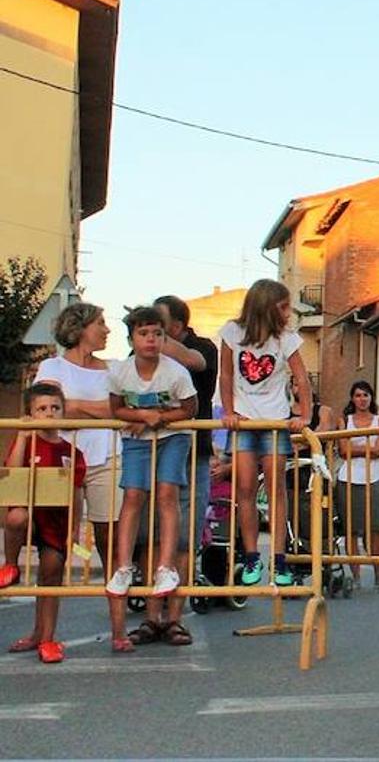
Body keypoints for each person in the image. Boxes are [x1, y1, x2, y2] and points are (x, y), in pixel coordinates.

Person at [105, 306, 198, 651]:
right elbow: (116, 408)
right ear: (132, 338)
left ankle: (164, 567)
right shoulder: (121, 372)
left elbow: (190, 408)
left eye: (158, 334)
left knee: (167, 495)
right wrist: (142, 415)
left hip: (172, 437)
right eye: (144, 334)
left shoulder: (175, 372)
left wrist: (162, 417)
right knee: (133, 496)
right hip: (136, 441)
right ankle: (125, 566)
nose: (151, 340)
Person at [218, 279, 310, 586]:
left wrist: (304, 416)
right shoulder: (232, 332)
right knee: (244, 487)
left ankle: (280, 559)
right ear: (267, 306)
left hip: (274, 420)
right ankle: (251, 556)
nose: (288, 313)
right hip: (244, 421)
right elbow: (227, 374)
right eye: (284, 307)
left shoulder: (287, 339)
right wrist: (229, 411)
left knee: (275, 489)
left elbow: (301, 378)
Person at [32, 303, 120, 584]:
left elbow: (119, 409)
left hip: (107, 458)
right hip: (62, 461)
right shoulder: (52, 366)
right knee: (55, 543)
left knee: (111, 539)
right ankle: (44, 627)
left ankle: (118, 623)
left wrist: (76, 404)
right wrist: (97, 408)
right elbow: (53, 410)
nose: (107, 330)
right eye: (101, 323)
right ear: (80, 328)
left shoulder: (114, 369)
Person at [146, 294, 216, 642]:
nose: (151, 334)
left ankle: (175, 618)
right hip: (152, 451)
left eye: (158, 325)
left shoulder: (203, 346)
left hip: (194, 454)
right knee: (154, 536)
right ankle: (151, 616)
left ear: (176, 325)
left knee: (185, 536)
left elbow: (194, 362)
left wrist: (157, 340)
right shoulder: (143, 351)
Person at [1, 383, 86, 663]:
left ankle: (46, 637)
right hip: (29, 515)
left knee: (51, 573)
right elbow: (13, 472)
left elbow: (76, 492)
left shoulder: (71, 451)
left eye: (55, 408)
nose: (49, 414)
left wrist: (75, 529)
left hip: (55, 520)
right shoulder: (25, 442)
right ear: (31, 413)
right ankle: (10, 564)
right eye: (41, 409)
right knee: (16, 517)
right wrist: (23, 436)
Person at [337, 381, 379, 588]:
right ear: (352, 398)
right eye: (358, 395)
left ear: (371, 398)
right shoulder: (344, 420)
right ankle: (356, 576)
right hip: (348, 478)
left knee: (376, 528)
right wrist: (368, 447)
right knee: (351, 529)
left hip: (373, 478)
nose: (362, 399)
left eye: (366, 395)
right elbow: (343, 450)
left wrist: (355, 447)